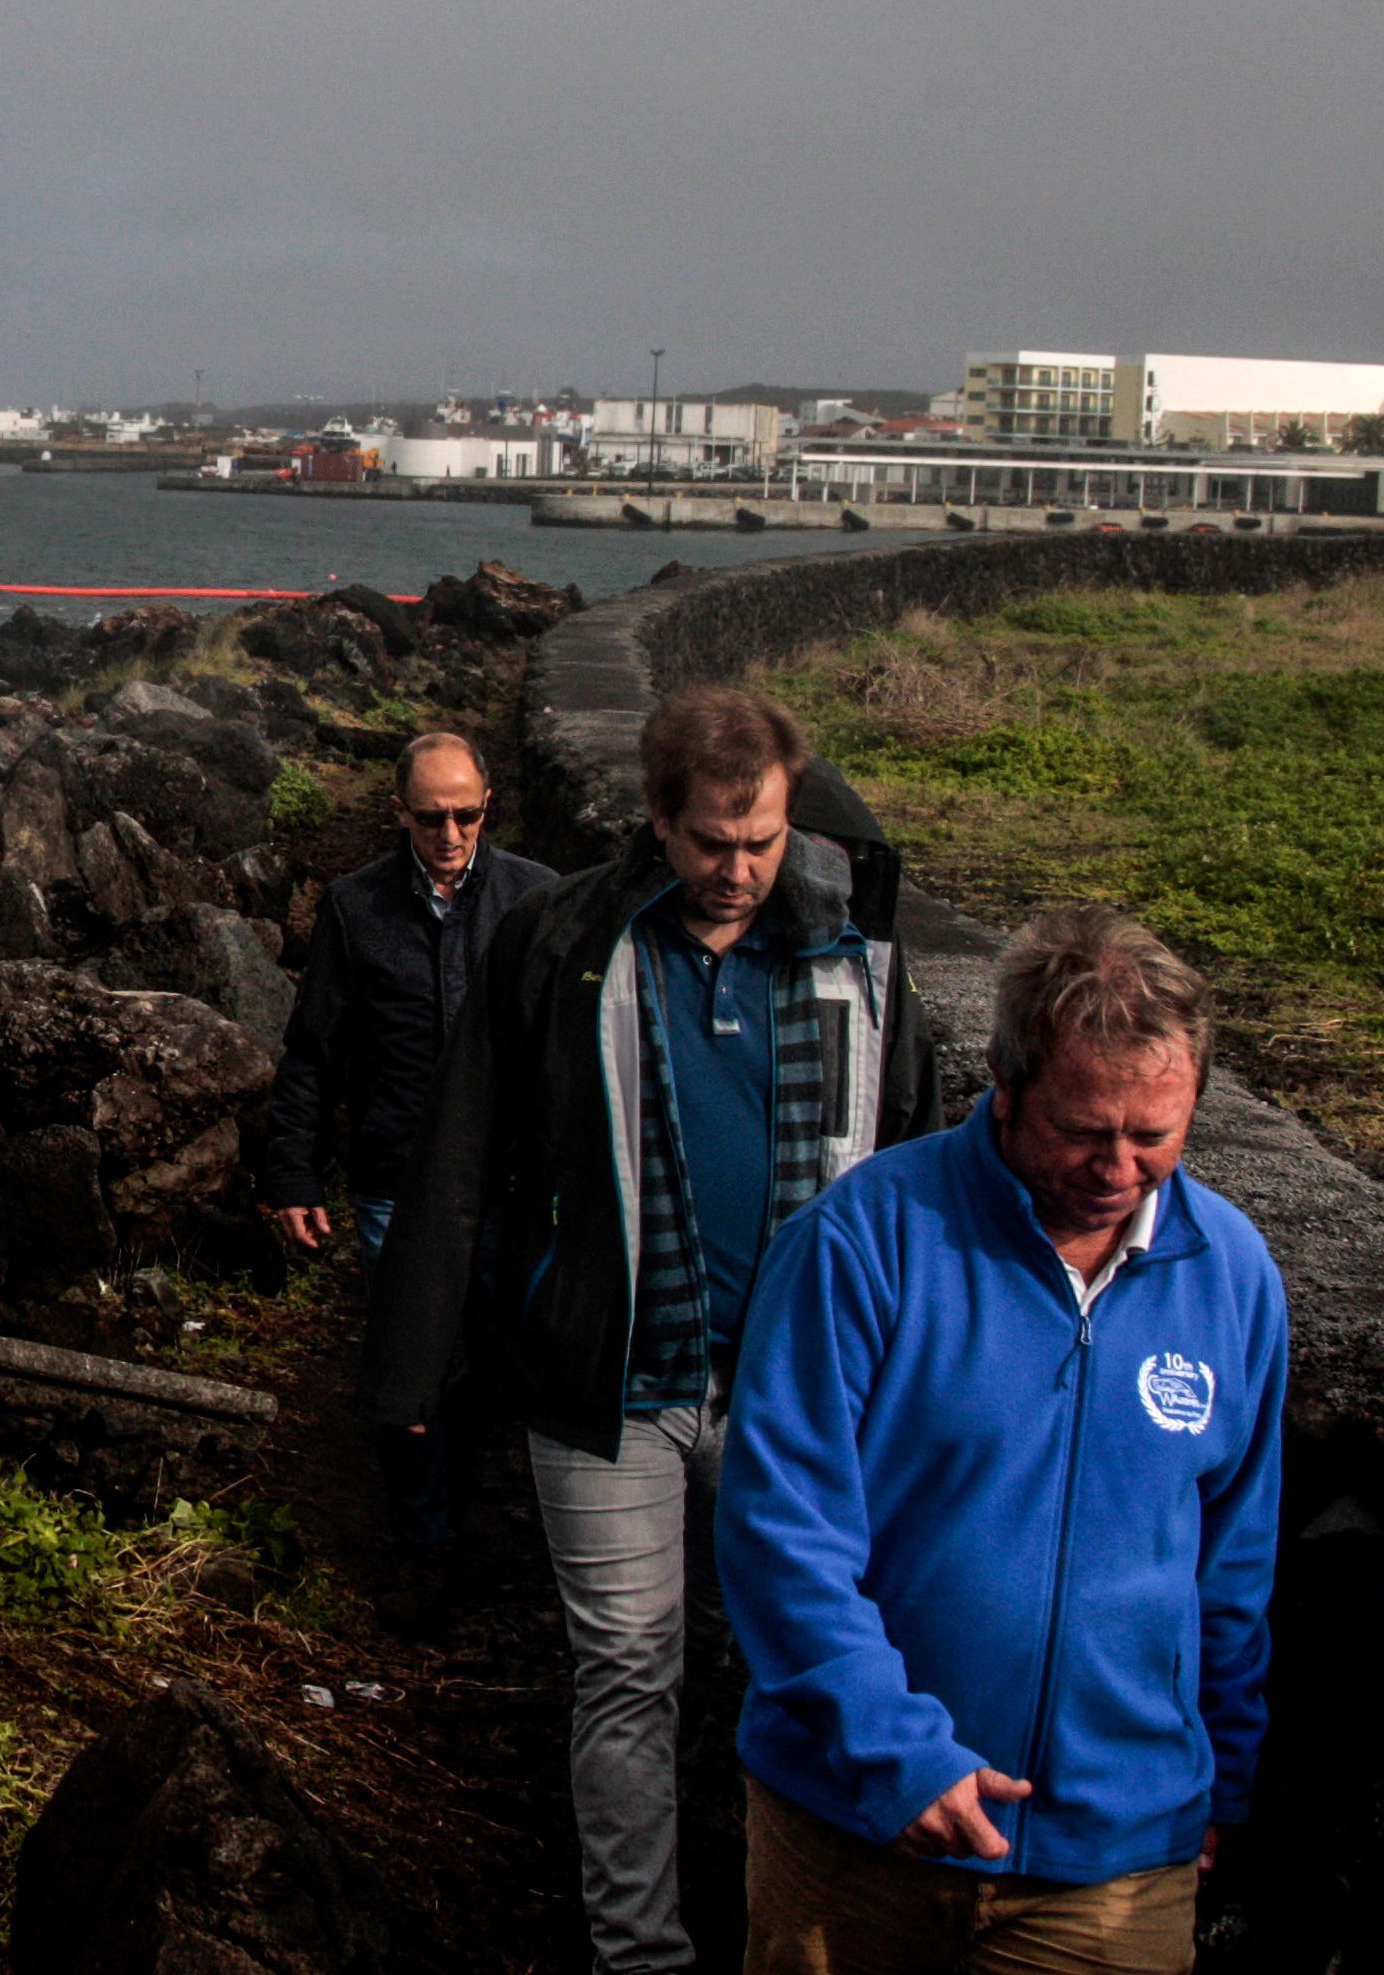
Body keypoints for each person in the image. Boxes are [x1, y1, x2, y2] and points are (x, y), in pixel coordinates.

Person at [356, 686, 939, 1974]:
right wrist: (412, 1365)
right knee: (628, 1672)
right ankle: (642, 1955)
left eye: (762, 843)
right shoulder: (566, 941)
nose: (737, 872)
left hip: (803, 1394)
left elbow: (918, 1158)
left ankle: (793, 1929)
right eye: (710, 843)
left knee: (808, 1660)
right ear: (655, 821)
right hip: (605, 1379)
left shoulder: (858, 950)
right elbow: (467, 1148)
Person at [717, 906, 1284, 1974]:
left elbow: (1233, 1563)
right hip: (855, 1838)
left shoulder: (1236, 1278)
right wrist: (894, 1751)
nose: (1118, 1166)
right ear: (1006, 1085)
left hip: (1114, 1856)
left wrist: (1226, 1778)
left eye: (1156, 1134)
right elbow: (780, 1528)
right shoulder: (863, 1241)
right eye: (1082, 1129)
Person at [258, 732, 555, 1607]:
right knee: (409, 1364)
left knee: (498, 1358)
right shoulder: (356, 908)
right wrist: (293, 1174)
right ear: (401, 815)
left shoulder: (535, 899)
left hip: (507, 1177)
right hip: (396, 1173)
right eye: (432, 817)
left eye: (466, 813)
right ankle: (421, 1541)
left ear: (487, 803)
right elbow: (315, 1050)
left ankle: (480, 1522)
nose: (452, 832)